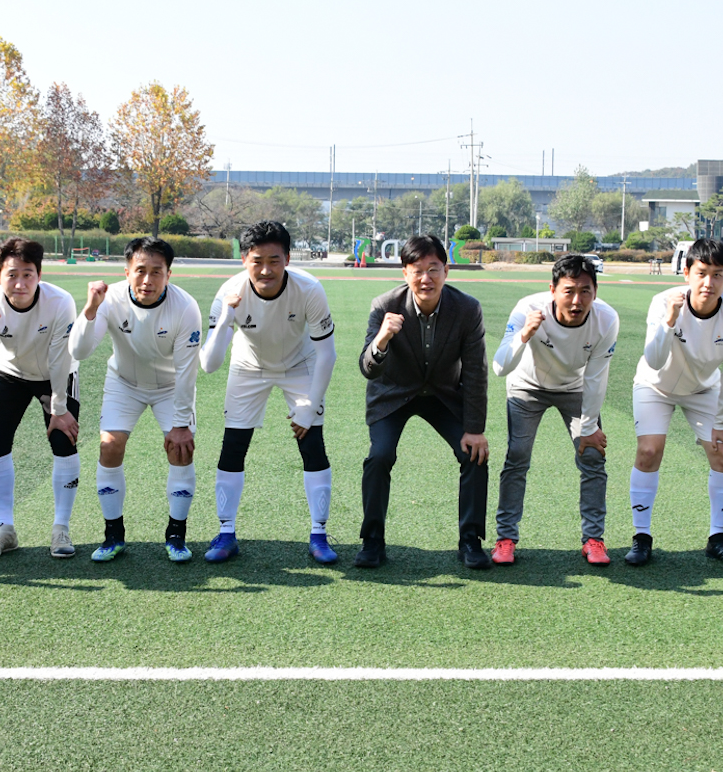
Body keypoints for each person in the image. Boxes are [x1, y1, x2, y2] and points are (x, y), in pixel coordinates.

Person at [198, 221, 339, 564]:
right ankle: (226, 533)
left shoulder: (309, 289)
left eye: (274, 261)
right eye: (257, 261)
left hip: (300, 364)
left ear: (287, 259)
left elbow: (327, 354)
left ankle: (319, 535)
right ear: (244, 260)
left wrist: (310, 405)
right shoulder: (229, 292)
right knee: (234, 444)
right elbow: (209, 365)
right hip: (249, 366)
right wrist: (226, 318)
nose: (265, 270)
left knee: (312, 443)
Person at [355, 234, 491, 570]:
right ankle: (372, 541)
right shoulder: (384, 305)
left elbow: (475, 371)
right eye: (417, 270)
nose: (425, 278)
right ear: (405, 273)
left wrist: (475, 429)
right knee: (379, 456)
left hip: (444, 395)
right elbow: (368, 369)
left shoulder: (467, 309)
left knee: (474, 454)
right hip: (393, 395)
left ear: (446, 271)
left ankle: (470, 541)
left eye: (433, 269)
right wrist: (382, 339)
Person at [70, 236, 202, 562]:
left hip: (171, 386)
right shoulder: (110, 299)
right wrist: (90, 309)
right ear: (127, 271)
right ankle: (113, 535)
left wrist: (181, 425)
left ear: (169, 275)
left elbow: (187, 372)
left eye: (157, 272)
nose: (147, 280)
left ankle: (176, 535)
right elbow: (79, 351)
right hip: (124, 383)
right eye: (140, 270)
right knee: (109, 446)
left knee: (181, 449)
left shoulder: (185, 308)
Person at [625, 238, 723, 567]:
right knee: (649, 450)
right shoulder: (663, 301)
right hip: (655, 385)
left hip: (703, 389)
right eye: (701, 273)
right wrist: (669, 321)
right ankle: (641, 537)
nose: (708, 282)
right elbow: (654, 360)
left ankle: (718, 538)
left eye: (717, 274)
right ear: (686, 273)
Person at [490, 254, 621, 566]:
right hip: (526, 386)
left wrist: (588, 427)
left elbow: (596, 377)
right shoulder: (527, 308)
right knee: (517, 456)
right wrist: (524, 335)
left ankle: (593, 539)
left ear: (596, 292)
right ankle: (505, 538)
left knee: (592, 456)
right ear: (552, 290)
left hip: (574, 388)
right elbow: (499, 367)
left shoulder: (606, 319)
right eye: (569, 291)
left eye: (585, 291)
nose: (577, 301)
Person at [0, 236, 81, 559]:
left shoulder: (60, 302)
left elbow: (60, 360)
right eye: (12, 275)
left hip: (55, 373)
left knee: (63, 440)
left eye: (28, 274)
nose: (20, 284)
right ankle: (5, 528)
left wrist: (59, 408)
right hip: (11, 373)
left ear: (39, 275)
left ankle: (61, 527)